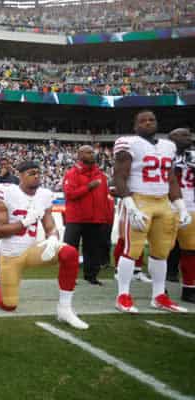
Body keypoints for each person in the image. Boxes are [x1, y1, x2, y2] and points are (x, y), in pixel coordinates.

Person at [0, 161, 89, 330]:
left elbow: (50, 227)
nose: (36, 176)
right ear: (19, 175)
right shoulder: (5, 192)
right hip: (11, 253)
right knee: (9, 305)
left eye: (38, 173)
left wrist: (53, 239)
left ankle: (64, 308)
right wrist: (24, 222)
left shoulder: (44, 195)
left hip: (32, 250)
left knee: (69, 253)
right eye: (31, 173)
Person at [113, 110, 190, 313]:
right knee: (132, 250)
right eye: (142, 120)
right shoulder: (128, 143)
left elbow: (172, 179)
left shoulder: (168, 146)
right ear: (135, 126)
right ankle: (123, 295)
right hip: (140, 199)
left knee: (161, 252)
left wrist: (181, 207)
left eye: (151, 120)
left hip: (164, 202)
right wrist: (130, 206)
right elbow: (119, 177)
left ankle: (158, 296)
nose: (148, 123)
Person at [62, 145, 113, 285]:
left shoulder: (101, 175)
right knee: (70, 249)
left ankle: (91, 276)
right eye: (88, 152)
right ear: (79, 155)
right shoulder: (72, 173)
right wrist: (88, 187)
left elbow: (104, 197)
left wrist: (106, 217)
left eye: (92, 152)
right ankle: (68, 277)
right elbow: (70, 194)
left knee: (93, 249)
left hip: (95, 219)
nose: (92, 154)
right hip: (75, 218)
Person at [168, 128, 195, 303]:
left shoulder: (193, 155)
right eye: (183, 135)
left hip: (190, 206)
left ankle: (189, 288)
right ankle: (159, 288)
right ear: (172, 138)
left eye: (189, 134)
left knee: (191, 250)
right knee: (160, 250)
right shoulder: (163, 154)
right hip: (166, 206)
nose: (189, 137)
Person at [0, 158, 19, 260]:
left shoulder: (15, 179)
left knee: (11, 231)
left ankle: (11, 252)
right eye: (1, 164)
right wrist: (0, 176)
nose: (3, 166)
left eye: (5, 164)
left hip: (11, 210)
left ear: (9, 165)